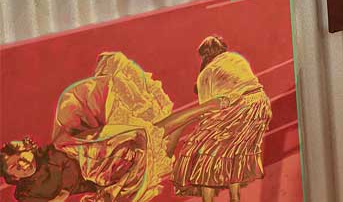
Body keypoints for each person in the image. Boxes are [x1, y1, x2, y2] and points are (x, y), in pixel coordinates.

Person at [3, 51, 221, 202]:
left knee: (152, 139)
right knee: (157, 159)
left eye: (20, 157)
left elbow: (69, 168)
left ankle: (206, 104)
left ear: (28, 149)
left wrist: (64, 193)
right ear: (13, 178)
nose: (21, 164)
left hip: (98, 155)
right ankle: (205, 101)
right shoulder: (25, 194)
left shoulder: (50, 156)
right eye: (14, 167)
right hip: (106, 181)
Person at [172, 36, 273, 202]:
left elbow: (206, 111)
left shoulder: (206, 74)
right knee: (235, 152)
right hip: (260, 108)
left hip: (241, 109)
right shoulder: (237, 58)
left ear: (204, 56)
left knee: (203, 154)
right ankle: (235, 198)